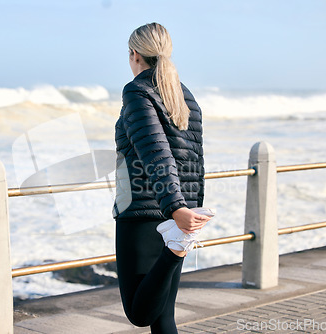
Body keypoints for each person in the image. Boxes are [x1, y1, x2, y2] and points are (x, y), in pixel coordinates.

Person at [113, 22, 212, 334]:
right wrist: (190, 207)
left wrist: (176, 210)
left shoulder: (137, 91)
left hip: (146, 213)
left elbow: (156, 153)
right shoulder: (185, 96)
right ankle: (175, 246)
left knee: (140, 313)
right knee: (163, 318)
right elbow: (193, 157)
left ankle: (175, 249)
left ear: (134, 54)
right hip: (179, 215)